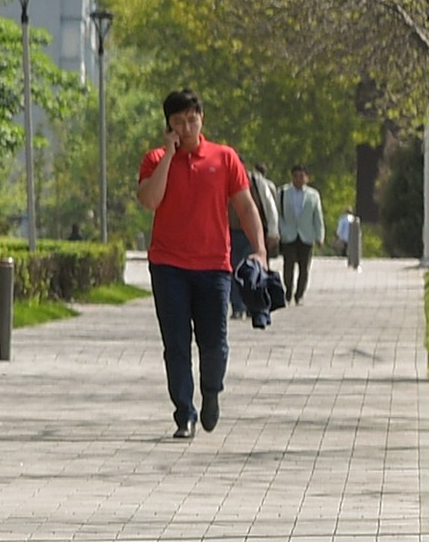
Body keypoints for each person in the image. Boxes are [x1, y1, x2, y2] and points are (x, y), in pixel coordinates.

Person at [138, 91, 277, 436]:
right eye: (177, 122)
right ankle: (184, 412)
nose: (185, 128)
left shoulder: (224, 158)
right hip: (168, 265)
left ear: (201, 117)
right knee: (176, 343)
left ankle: (211, 392)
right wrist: (169, 156)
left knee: (214, 342)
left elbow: (246, 208)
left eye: (191, 119)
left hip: (214, 265)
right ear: (168, 126)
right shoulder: (155, 159)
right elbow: (150, 200)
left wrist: (259, 249)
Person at [276, 169, 325, 300]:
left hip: (306, 235)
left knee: (304, 267)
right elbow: (278, 214)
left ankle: (299, 293)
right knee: (288, 264)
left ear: (307, 178)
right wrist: (280, 230)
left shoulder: (313, 195)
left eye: (301, 176)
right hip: (289, 234)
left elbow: (317, 216)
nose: (298, 179)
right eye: (295, 176)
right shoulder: (283, 192)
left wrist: (320, 236)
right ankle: (288, 289)